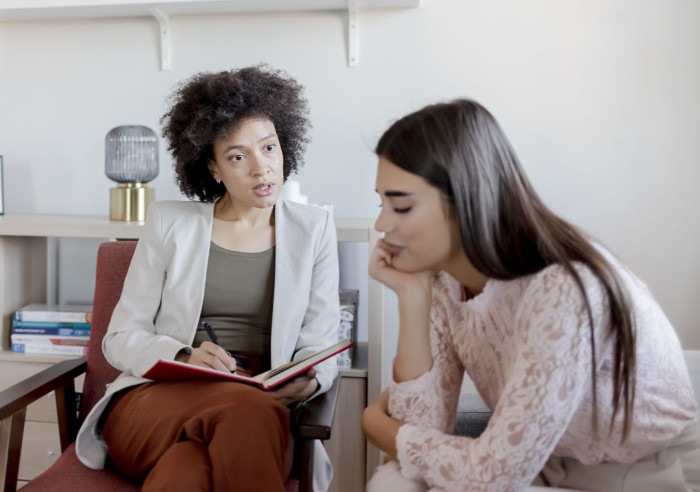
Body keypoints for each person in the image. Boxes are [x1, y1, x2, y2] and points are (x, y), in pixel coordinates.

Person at [361, 99, 700, 491]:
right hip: (549, 464)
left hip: (647, 472)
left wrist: (374, 424)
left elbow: (494, 474)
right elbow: (421, 429)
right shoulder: (444, 282)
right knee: (395, 482)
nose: (381, 223)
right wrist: (412, 297)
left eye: (401, 206)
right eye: (381, 202)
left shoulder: (564, 289)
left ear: (468, 199)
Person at [74, 65, 340, 492]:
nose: (261, 168)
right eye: (238, 156)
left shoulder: (316, 229)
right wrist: (182, 355)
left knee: (186, 470)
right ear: (213, 168)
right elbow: (120, 337)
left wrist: (306, 382)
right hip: (158, 401)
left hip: (263, 401)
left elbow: (322, 344)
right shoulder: (168, 222)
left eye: (269, 148)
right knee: (244, 411)